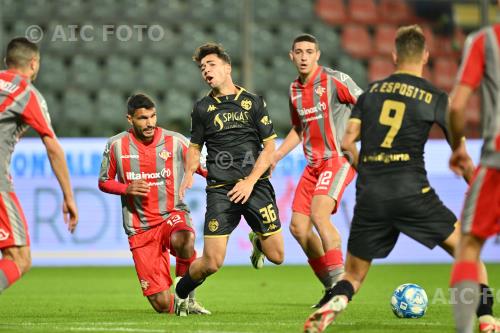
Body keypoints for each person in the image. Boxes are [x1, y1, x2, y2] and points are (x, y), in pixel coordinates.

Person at [303, 25, 497, 333]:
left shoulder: (371, 94)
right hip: (413, 191)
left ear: (393, 56)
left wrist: (364, 167)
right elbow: (462, 157)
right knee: (466, 252)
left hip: (372, 195)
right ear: (426, 57)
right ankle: (486, 318)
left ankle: (335, 304)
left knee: (353, 276)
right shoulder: (435, 97)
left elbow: (347, 141)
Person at [174, 43, 284, 316]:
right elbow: (195, 147)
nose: (206, 71)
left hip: (255, 186)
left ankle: (258, 242)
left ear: (227, 67)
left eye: (211, 65)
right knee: (211, 262)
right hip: (221, 190)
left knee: (278, 257)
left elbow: (270, 148)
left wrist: (249, 181)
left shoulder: (253, 102)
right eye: (202, 68)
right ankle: (180, 291)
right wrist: (188, 172)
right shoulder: (202, 108)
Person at [271, 34, 362, 307]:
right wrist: (277, 154)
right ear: (291, 56)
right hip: (312, 166)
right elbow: (299, 128)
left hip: (338, 159)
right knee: (299, 228)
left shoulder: (335, 80)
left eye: (309, 51)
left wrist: (359, 136)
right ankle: (330, 287)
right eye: (298, 51)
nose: (303, 56)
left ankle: (340, 288)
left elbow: (367, 105)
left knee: (319, 216)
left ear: (317, 55)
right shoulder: (294, 90)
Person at [98, 93, 210, 315]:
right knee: (161, 305)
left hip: (171, 214)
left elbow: (202, 166)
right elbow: (104, 181)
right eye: (142, 118)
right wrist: (126, 188)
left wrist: (232, 179)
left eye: (153, 116)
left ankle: (186, 298)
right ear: (129, 119)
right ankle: (175, 305)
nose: (149, 123)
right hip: (140, 228)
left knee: (184, 238)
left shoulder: (175, 141)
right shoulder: (116, 146)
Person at [0, 37, 78, 293]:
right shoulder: (25, 92)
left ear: (5, 62)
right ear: (33, 64)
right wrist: (68, 196)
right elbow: (53, 147)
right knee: (19, 258)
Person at [448, 18, 500, 333]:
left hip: (496, 158)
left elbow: (457, 106)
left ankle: (469, 327)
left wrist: (457, 147)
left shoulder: (485, 41)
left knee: (468, 244)